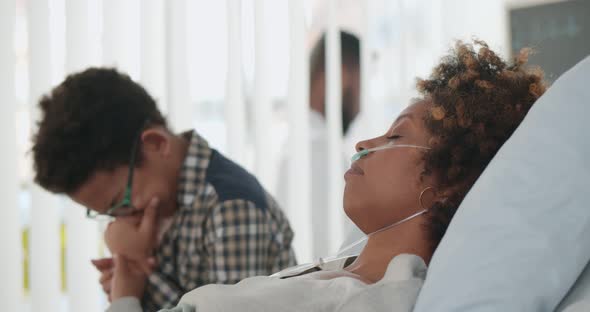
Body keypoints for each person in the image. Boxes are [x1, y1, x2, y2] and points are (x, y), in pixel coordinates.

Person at [106, 40, 547, 311]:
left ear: (448, 181)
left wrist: (127, 292)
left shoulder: (377, 298)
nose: (362, 145)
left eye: (395, 136)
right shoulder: (336, 270)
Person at [31, 68, 297, 310]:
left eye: (122, 204)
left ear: (157, 144)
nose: (122, 222)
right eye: (109, 214)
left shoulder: (231, 208)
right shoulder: (167, 204)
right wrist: (132, 273)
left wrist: (134, 282)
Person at [276, 31, 363, 259]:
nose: (362, 104)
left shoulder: (295, 141)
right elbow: (331, 256)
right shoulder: (319, 150)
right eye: (362, 81)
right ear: (342, 75)